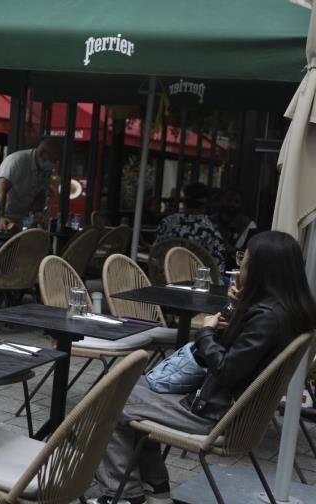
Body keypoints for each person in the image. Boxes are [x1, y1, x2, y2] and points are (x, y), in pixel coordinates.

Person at [91, 230, 316, 504]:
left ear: (260, 269)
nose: (240, 265)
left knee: (110, 401)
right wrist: (236, 309)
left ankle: (125, 495)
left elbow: (227, 370)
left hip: (215, 414)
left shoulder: (267, 317)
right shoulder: (288, 310)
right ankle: (155, 487)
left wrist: (206, 333)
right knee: (132, 389)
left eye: (244, 260)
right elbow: (243, 357)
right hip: (231, 409)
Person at [0, 136, 63, 232]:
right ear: (42, 153)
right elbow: (1, 189)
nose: (54, 163)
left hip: (17, 216)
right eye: (53, 159)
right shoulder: (18, 160)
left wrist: (37, 213)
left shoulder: (45, 169)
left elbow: (40, 193)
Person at [154, 182, 226, 272]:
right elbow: (218, 268)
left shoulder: (166, 223)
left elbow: (156, 254)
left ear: (184, 201)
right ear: (205, 203)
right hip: (195, 281)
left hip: (165, 276)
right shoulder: (211, 230)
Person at [212, 190, 256, 270]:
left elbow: (249, 255)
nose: (232, 204)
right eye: (229, 200)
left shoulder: (248, 225)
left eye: (236, 202)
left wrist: (233, 250)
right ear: (221, 201)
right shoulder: (211, 221)